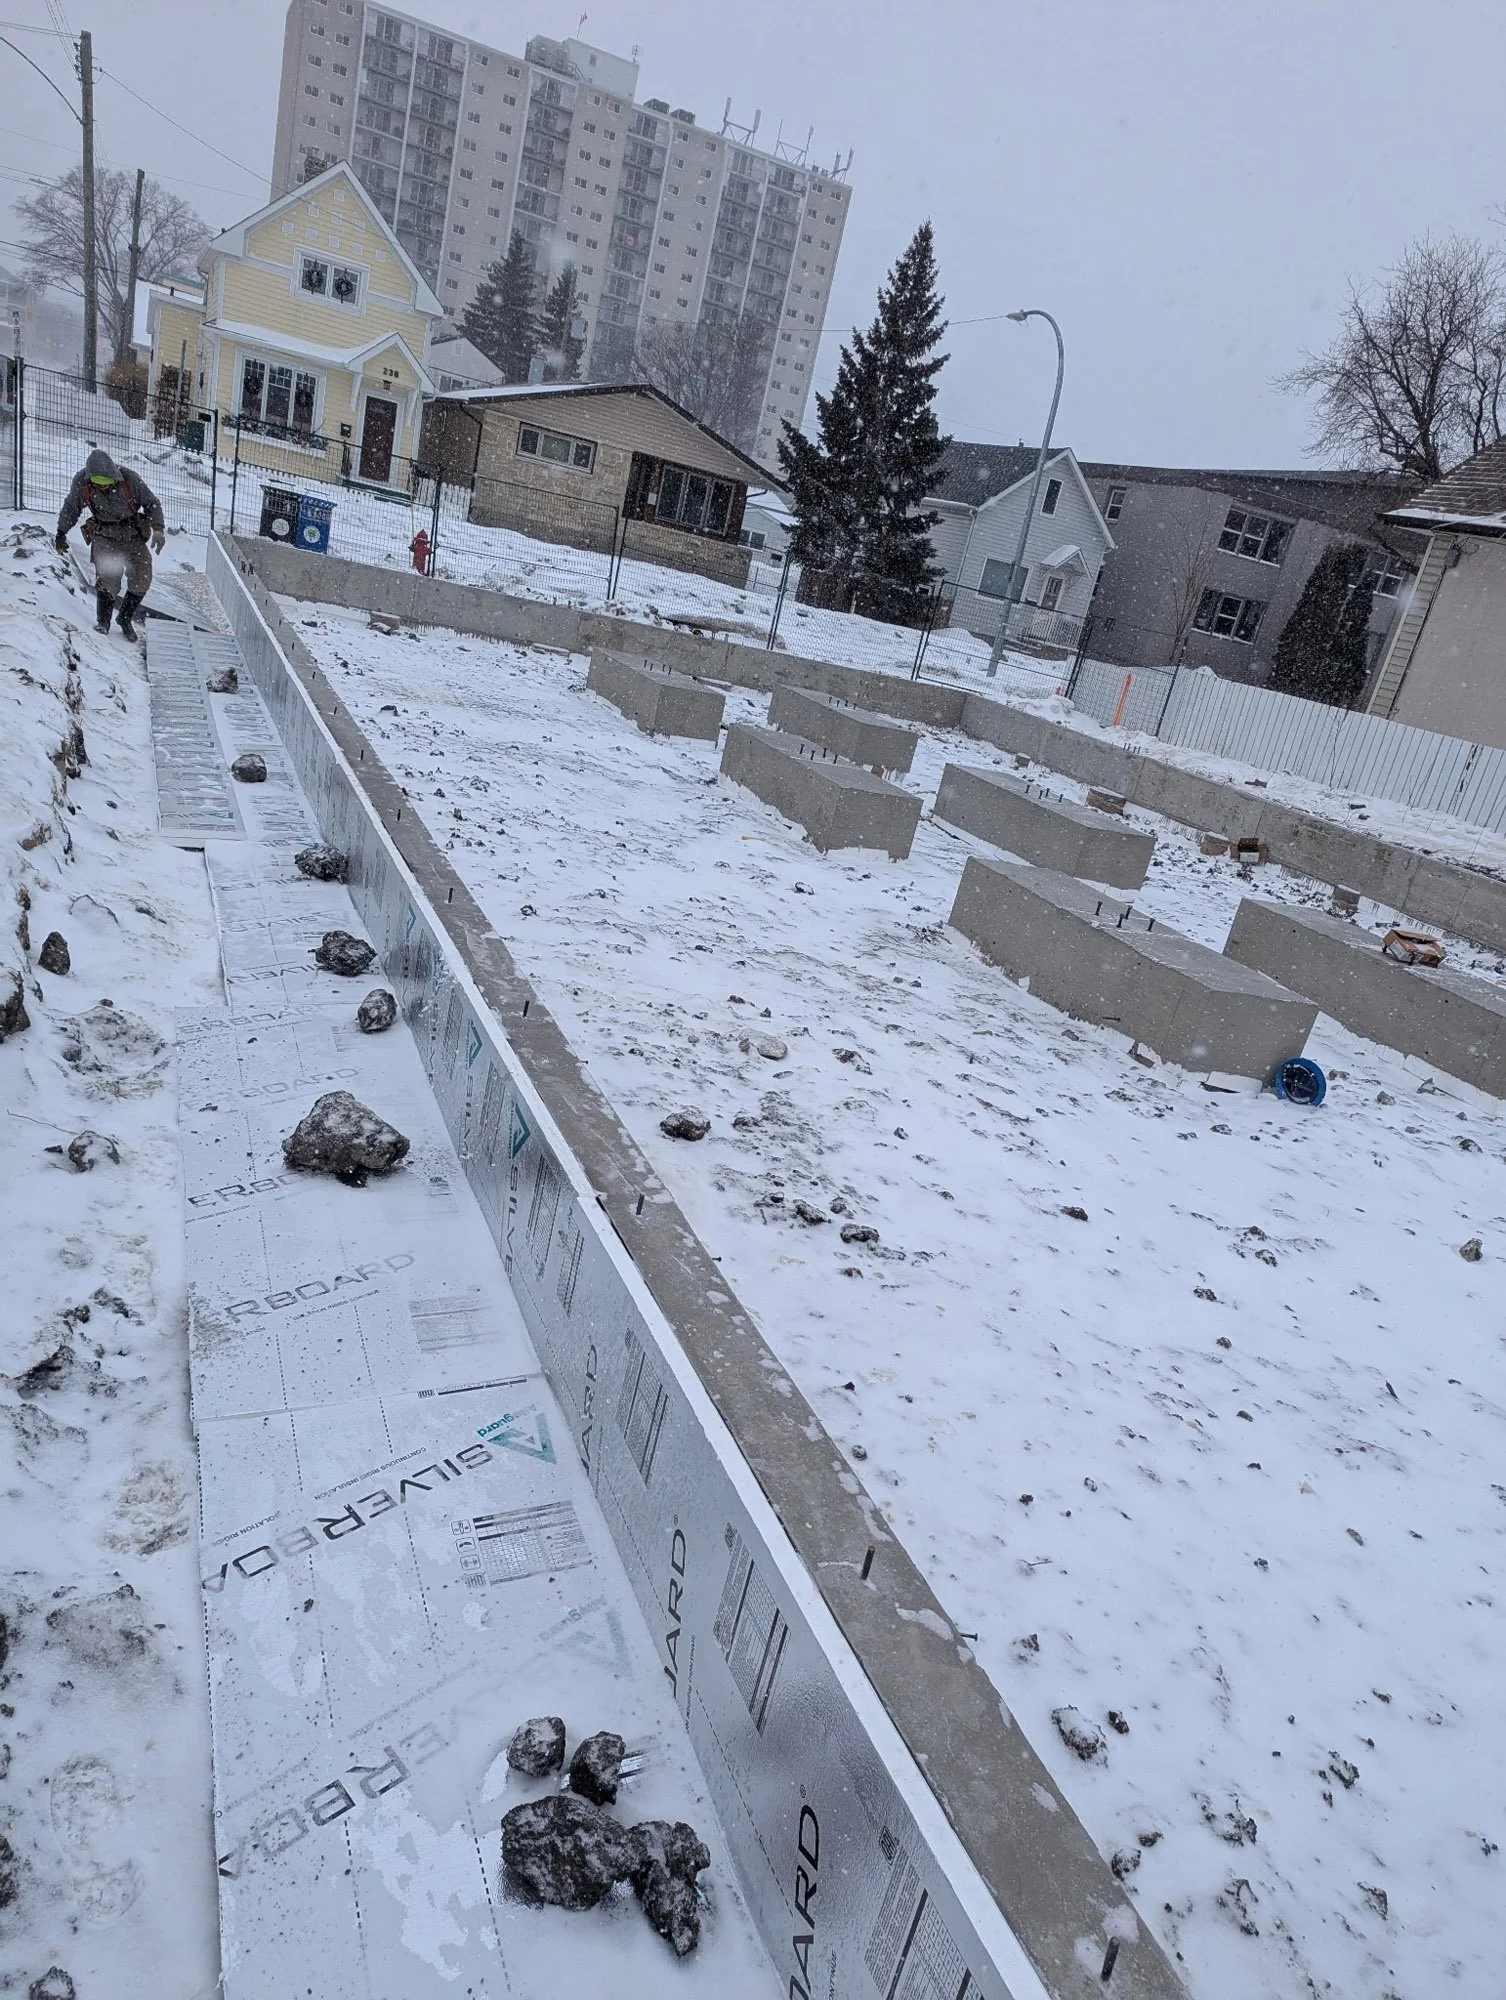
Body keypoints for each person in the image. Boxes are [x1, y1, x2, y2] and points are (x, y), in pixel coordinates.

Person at [54, 448, 166, 641]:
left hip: (132, 534)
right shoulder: (82, 482)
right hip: (104, 535)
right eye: (99, 483)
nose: (103, 487)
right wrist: (61, 532)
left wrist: (158, 529)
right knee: (108, 579)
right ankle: (103, 623)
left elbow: (151, 503)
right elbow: (71, 508)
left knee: (142, 578)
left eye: (107, 483)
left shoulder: (130, 479)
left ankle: (124, 618)